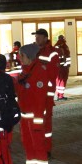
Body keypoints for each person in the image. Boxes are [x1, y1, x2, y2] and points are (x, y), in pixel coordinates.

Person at [16, 43, 50, 164]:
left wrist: (37, 120)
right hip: (25, 115)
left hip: (34, 116)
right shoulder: (26, 70)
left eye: (21, 56)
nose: (19, 58)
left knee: (38, 145)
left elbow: (40, 98)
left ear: (28, 56)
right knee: (28, 145)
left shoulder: (39, 71)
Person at [33, 29, 60, 157]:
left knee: (46, 121)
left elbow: (52, 73)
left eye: (38, 37)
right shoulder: (35, 50)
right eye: (36, 37)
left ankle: (47, 148)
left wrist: (40, 69)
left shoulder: (52, 53)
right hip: (35, 92)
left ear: (45, 38)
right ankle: (38, 145)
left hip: (46, 92)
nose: (36, 39)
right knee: (37, 120)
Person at [54, 34, 71, 100]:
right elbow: (64, 57)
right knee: (62, 81)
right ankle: (60, 95)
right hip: (63, 67)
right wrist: (66, 64)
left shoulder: (56, 46)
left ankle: (59, 95)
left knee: (59, 80)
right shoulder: (63, 46)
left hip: (61, 66)